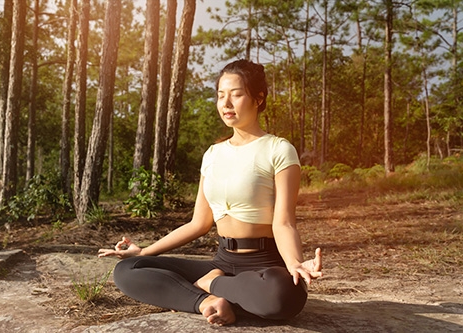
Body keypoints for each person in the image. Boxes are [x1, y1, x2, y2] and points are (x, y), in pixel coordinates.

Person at [98, 59, 323, 326]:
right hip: (223, 260)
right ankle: (207, 301)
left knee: (285, 295)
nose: (226, 104)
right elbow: (198, 223)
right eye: (220, 96)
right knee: (127, 270)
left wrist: (295, 263)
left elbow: (284, 222)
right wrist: (144, 252)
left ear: (258, 98)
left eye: (236, 95)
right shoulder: (213, 154)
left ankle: (208, 284)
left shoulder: (278, 149)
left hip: (263, 265)